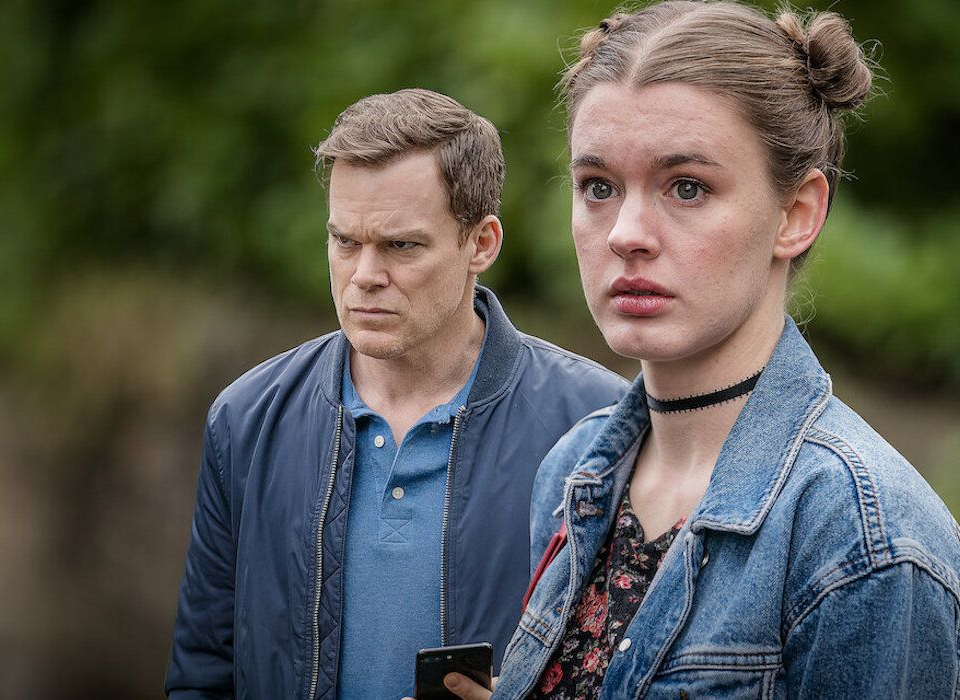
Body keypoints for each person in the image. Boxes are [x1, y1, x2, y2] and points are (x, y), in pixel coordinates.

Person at [439, 3, 960, 698]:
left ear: (798, 213)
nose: (626, 233)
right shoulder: (572, 473)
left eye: (687, 187)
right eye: (598, 187)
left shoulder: (865, 543)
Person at [164, 88, 629, 699]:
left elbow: (639, 672)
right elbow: (203, 674)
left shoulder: (598, 427)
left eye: (400, 246)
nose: (364, 276)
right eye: (345, 241)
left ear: (481, 244)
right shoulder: (247, 420)